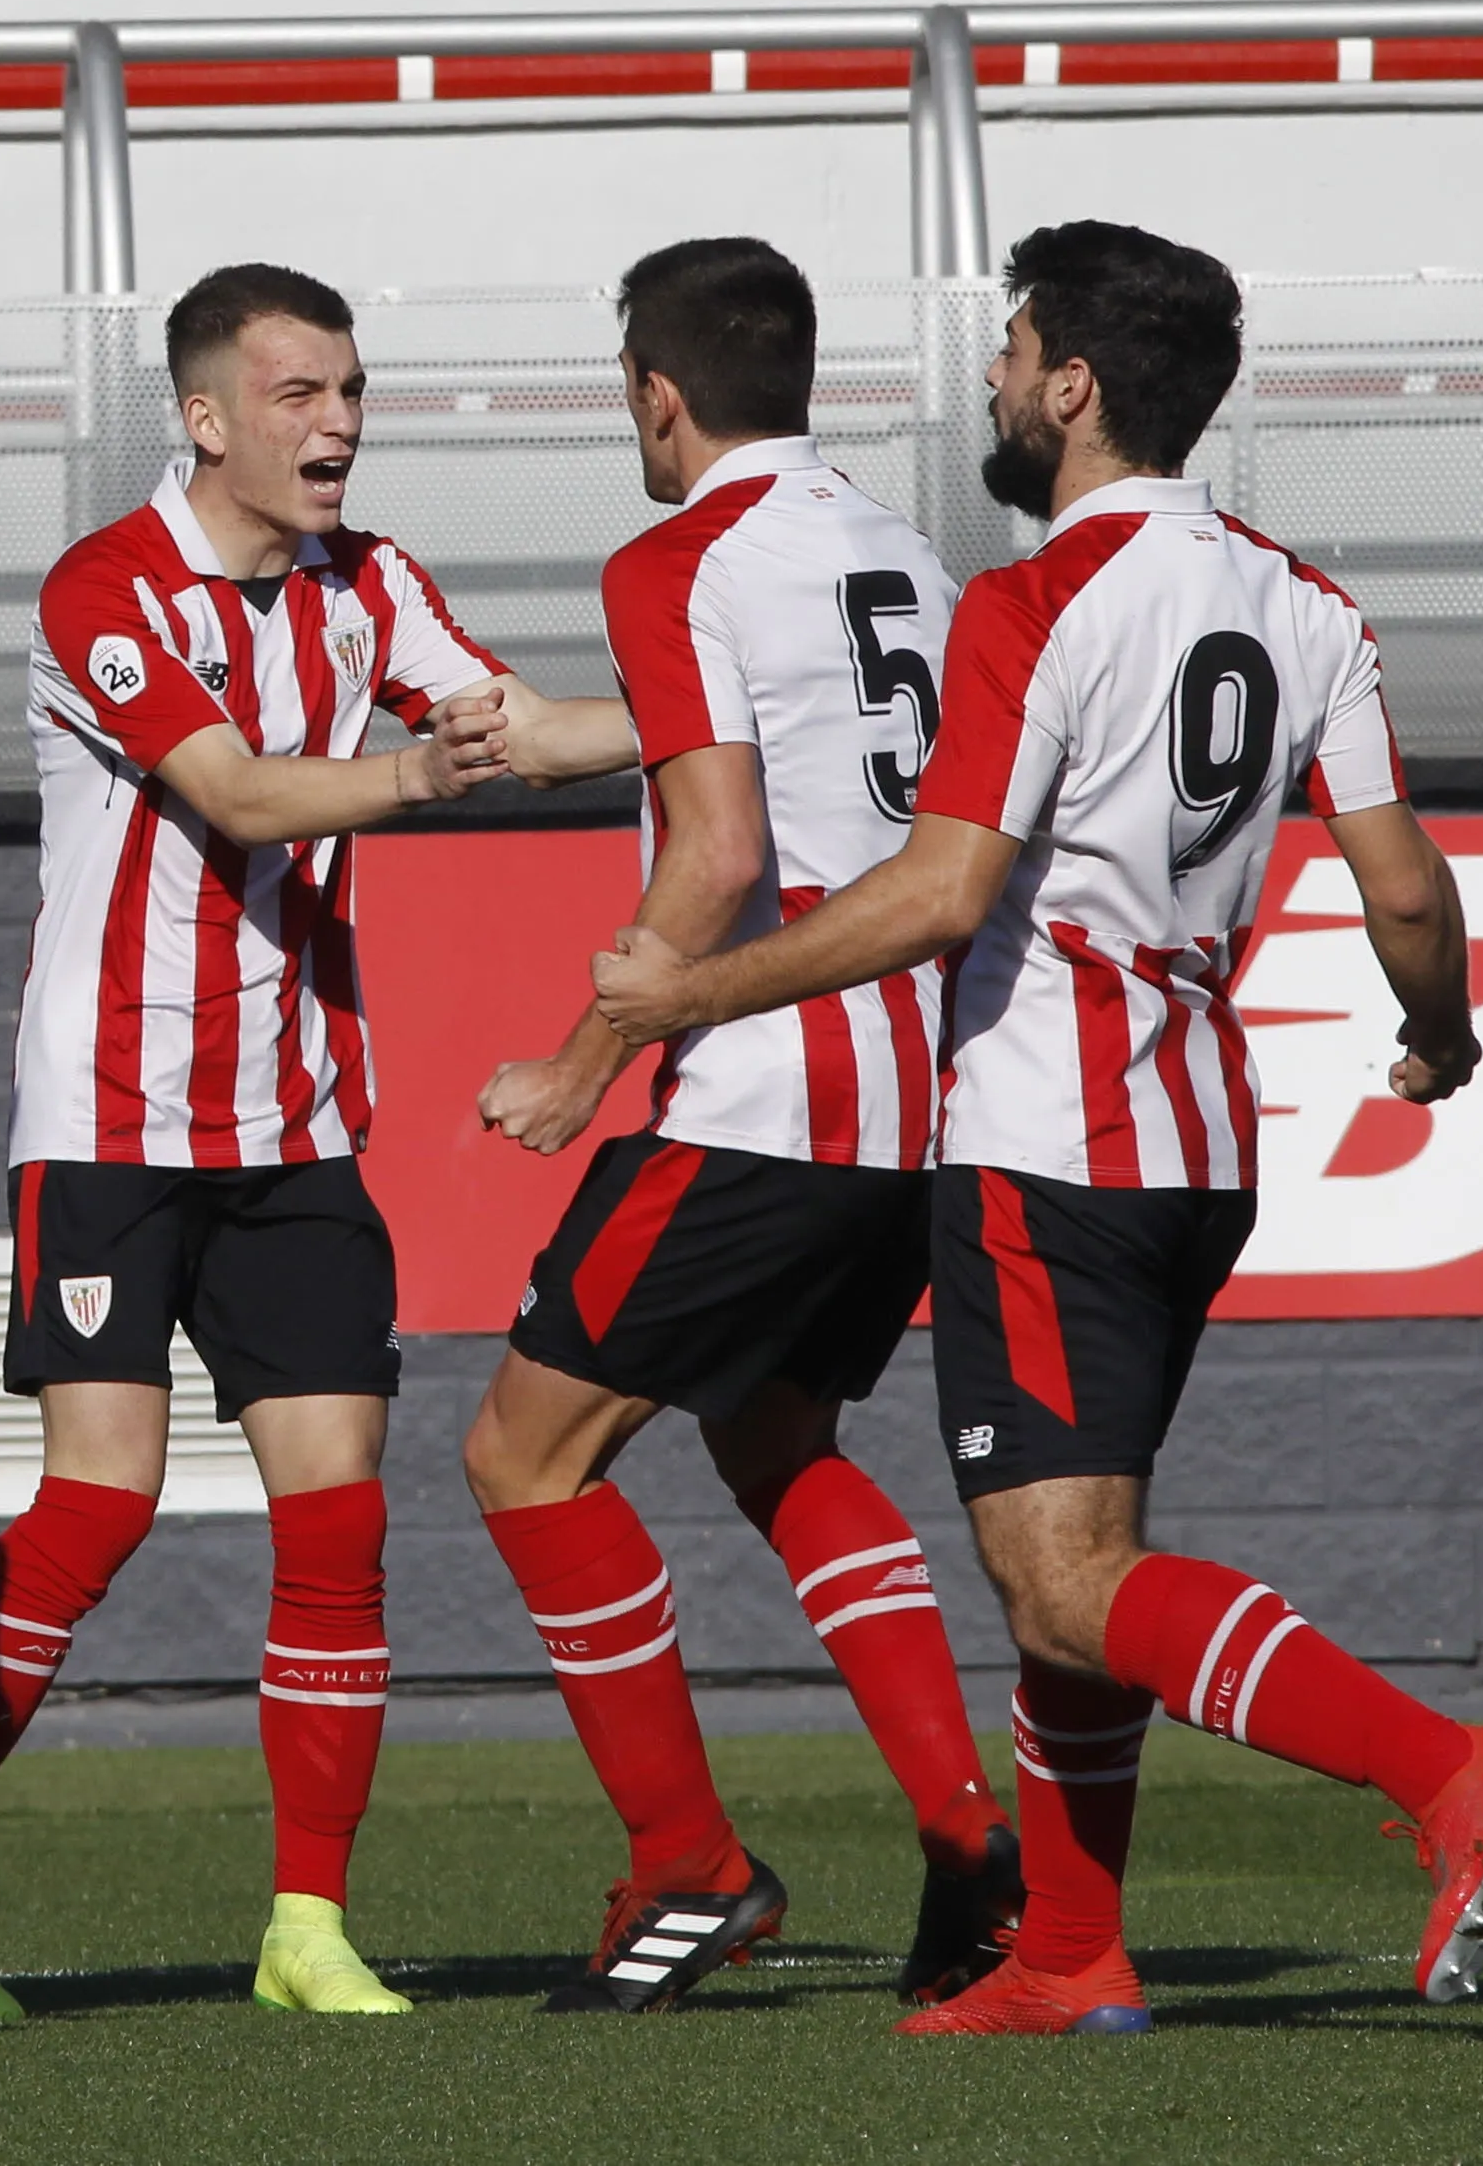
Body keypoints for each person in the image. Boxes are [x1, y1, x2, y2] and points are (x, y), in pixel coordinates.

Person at [590, 219, 1483, 2036]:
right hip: (1203, 1144)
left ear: (1073, 387)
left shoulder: (1030, 607)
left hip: (1051, 1135)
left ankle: (1442, 1765)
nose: (988, 374)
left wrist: (693, 993)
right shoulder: (1305, 602)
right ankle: (1066, 1954)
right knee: (1081, 1565)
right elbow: (1406, 894)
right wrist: (1435, 1039)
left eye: (1011, 341)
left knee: (1064, 1576)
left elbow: (941, 895)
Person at [0, 262, 628, 2018]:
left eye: (352, 391)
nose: (338, 424)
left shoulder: (368, 586)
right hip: (113, 1129)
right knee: (94, 1509)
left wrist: (724, 714)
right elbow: (232, 790)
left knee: (338, 1520)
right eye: (298, 395)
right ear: (204, 416)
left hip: (295, 1129)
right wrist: (417, 781)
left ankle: (306, 1928)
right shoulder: (108, 587)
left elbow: (512, 728)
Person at [462, 237, 1015, 2014]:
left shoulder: (672, 556)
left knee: (520, 1457)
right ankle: (964, 1834)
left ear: (655, 390)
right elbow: (810, 746)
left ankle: (687, 1865)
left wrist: (577, 1063)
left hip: (767, 1089)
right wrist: (576, 736)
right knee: (774, 1441)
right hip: (913, 1093)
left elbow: (714, 849)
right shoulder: (902, 549)